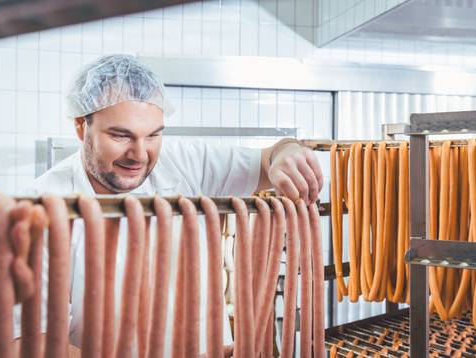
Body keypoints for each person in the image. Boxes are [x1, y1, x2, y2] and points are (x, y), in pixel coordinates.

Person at [19, 54, 323, 355]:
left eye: (153, 135)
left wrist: (286, 153)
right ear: (81, 127)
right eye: (121, 135)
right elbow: (27, 342)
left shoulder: (181, 162)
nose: (139, 154)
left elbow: (268, 158)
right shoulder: (40, 208)